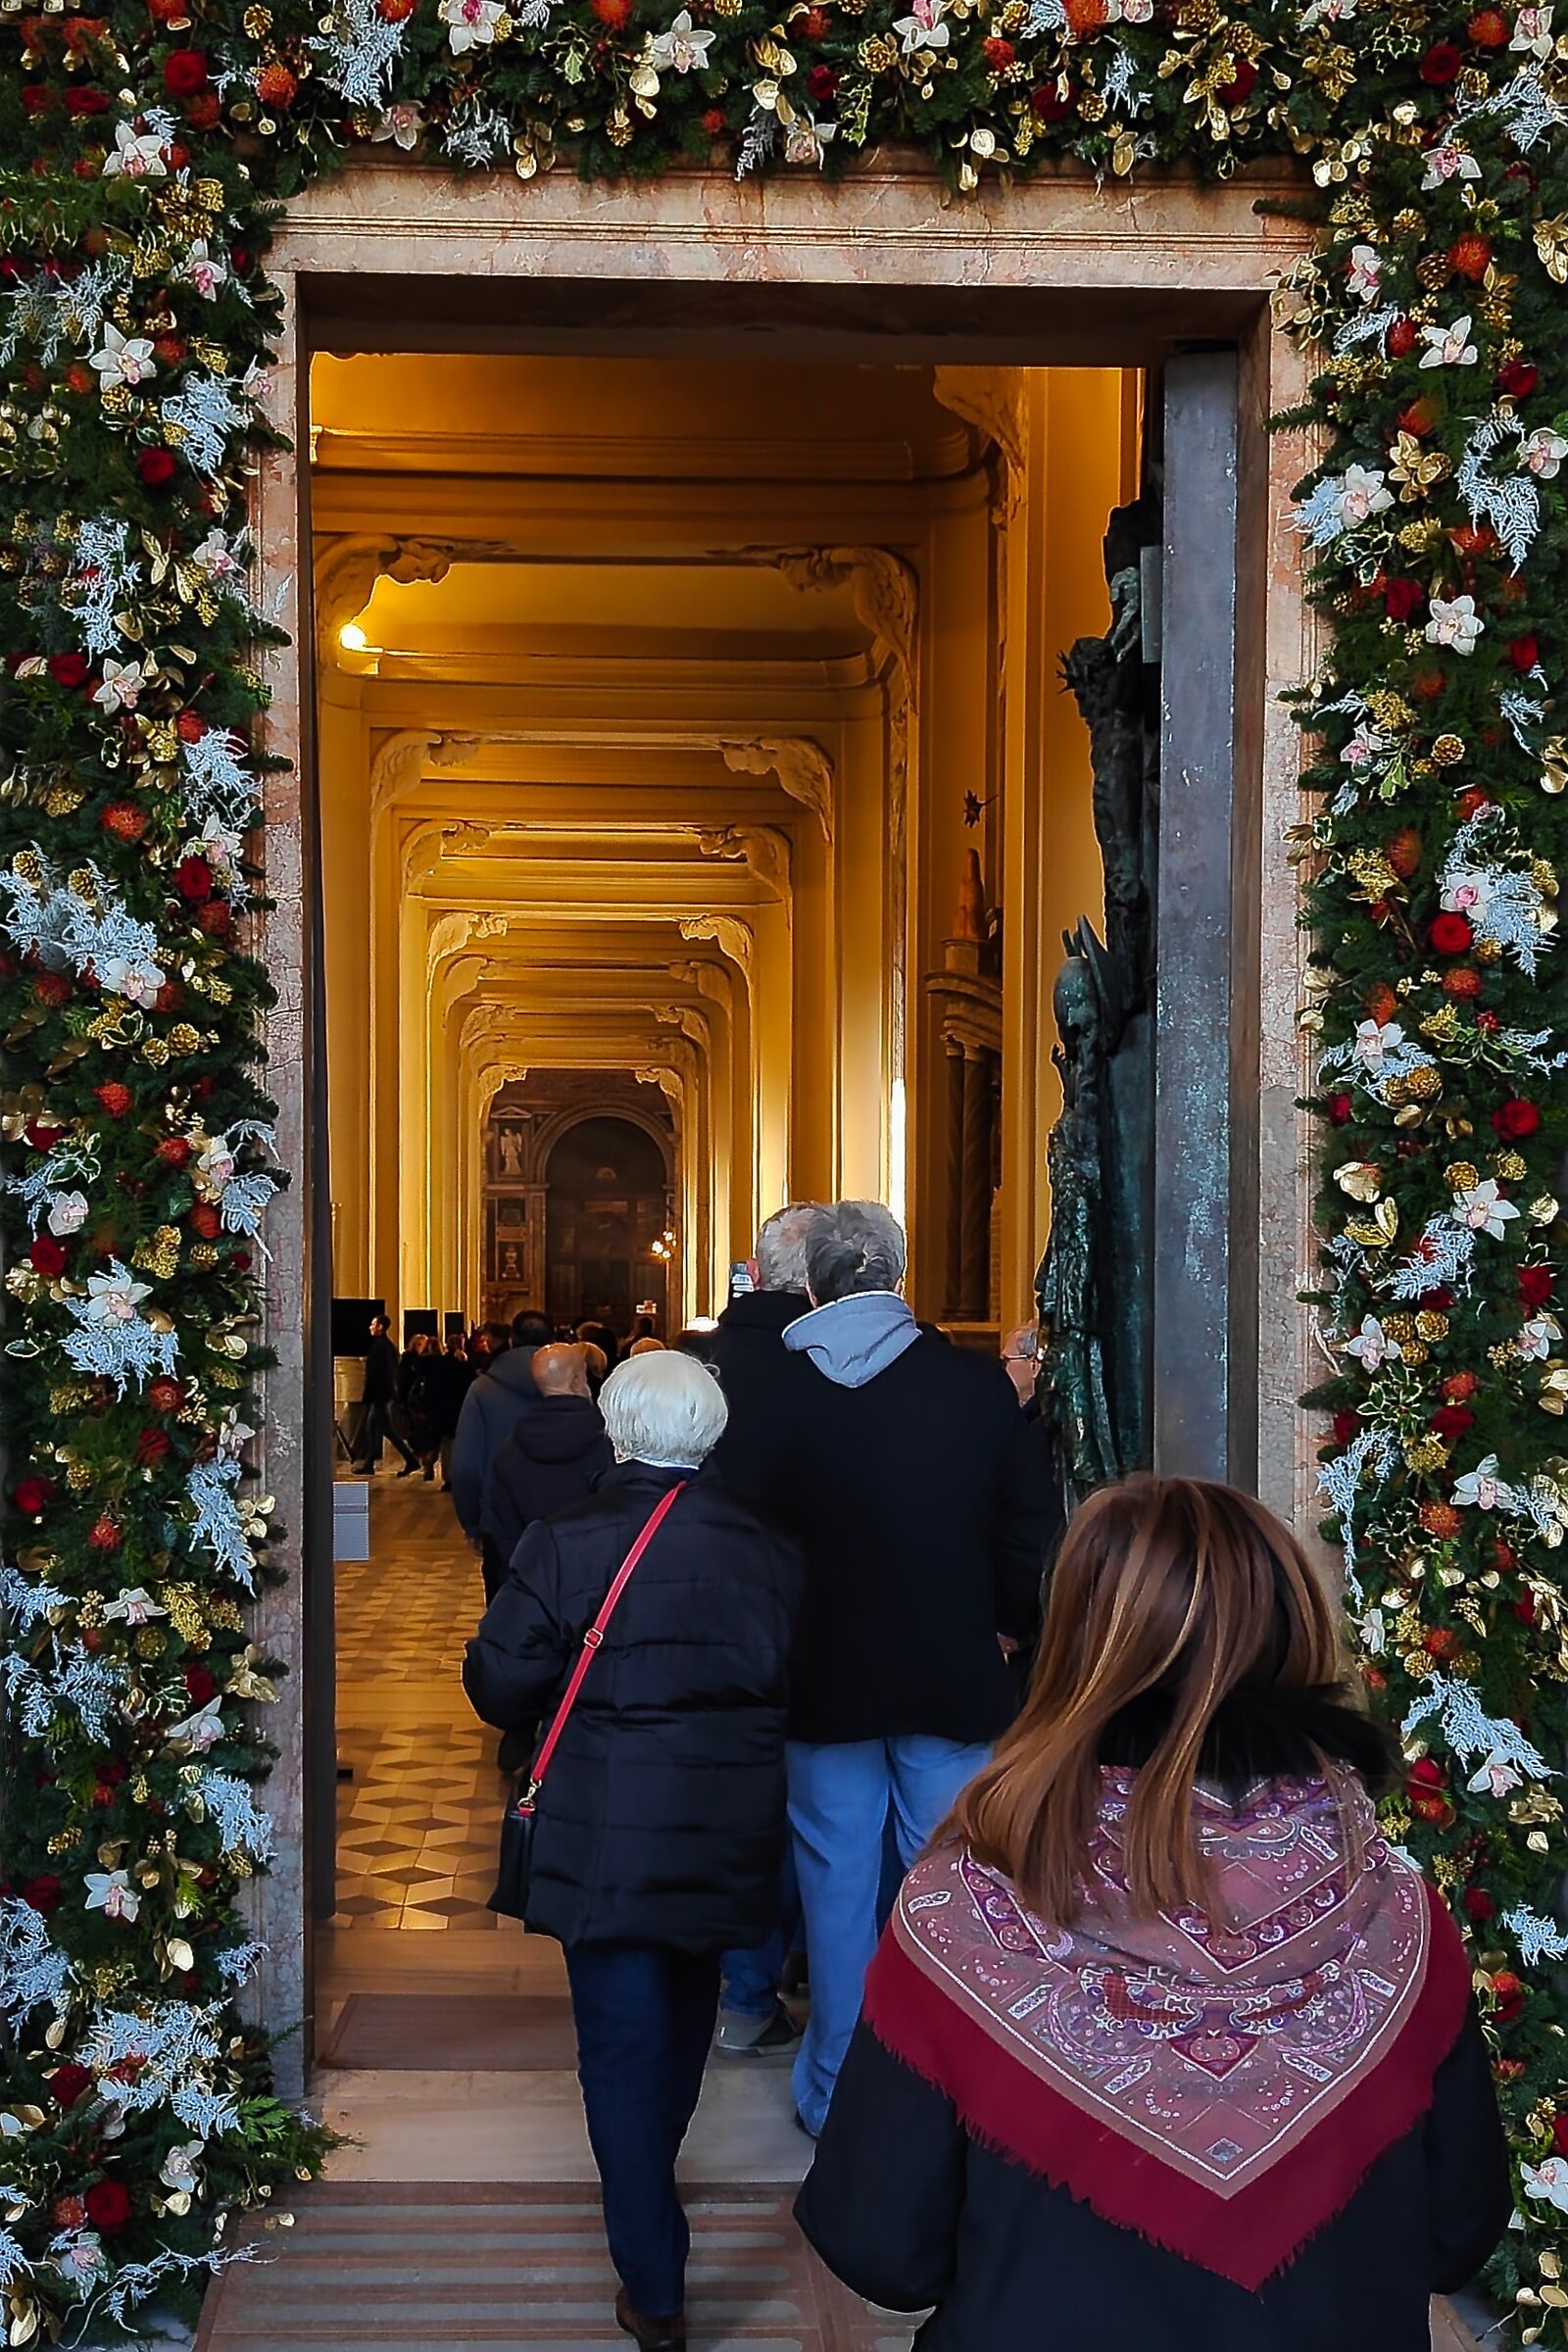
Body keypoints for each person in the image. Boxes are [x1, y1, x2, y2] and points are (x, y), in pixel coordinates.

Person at [797, 1476, 1511, 2350]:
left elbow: (878, 2246)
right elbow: (1459, 2231)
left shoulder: (965, 1911)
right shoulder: (1399, 1910)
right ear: (1295, 1634)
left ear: (1073, 1650)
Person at [464, 1352, 803, 2352]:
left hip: (603, 1831)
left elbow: (499, 1688)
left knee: (619, 2049)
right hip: (727, 1818)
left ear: (616, 1434)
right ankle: (648, 2183)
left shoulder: (567, 1538)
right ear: (712, 1435)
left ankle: (653, 2283)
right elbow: (794, 1673)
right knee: (685, 2018)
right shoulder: (773, 1547)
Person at [759, 1200, 1058, 2137]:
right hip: (951, 1669)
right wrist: (1010, 1626)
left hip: (821, 1675)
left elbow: (748, 1541)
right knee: (953, 1883)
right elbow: (1025, 1532)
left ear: (811, 1283)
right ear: (897, 1275)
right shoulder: (973, 1389)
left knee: (835, 1884)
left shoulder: (769, 1391)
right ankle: (952, 2084)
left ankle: (839, 2091)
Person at [706, 1203, 822, 2060]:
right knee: (811, 1809)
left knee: (744, 1810)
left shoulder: (706, 1358)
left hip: (710, 1618)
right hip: (815, 1618)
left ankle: (743, 1986)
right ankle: (770, 1976)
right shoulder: (827, 1363)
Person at [451, 1308, 552, 1599]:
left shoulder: (483, 1389)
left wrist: (472, 1522)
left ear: (511, 1340)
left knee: (502, 1612)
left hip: (500, 1516)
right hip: (562, 1515)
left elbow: (466, 1467)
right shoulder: (573, 1388)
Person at [487, 1343, 614, 1568]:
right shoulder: (611, 1444)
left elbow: (502, 1526)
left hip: (535, 1573)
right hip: (599, 1574)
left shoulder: (509, 1450)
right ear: (576, 1381)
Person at [353, 1314, 416, 1475]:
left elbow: (378, 1374)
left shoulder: (380, 1347)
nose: (370, 1327)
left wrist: (370, 1395)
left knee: (387, 1430)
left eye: (373, 1324)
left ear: (380, 1327)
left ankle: (411, 1460)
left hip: (380, 1395)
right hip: (382, 1394)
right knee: (371, 1427)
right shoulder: (386, 1346)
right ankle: (369, 1463)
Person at [426, 1334, 475, 1492]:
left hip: (443, 1408)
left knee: (446, 1445)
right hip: (461, 1407)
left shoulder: (438, 1363)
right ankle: (462, 1475)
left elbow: (431, 1386)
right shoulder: (466, 1365)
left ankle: (448, 1478)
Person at [396, 1332, 439, 1481]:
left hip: (420, 1402)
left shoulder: (424, 1362)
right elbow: (403, 1382)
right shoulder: (409, 1360)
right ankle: (420, 1460)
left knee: (423, 1433)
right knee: (412, 1433)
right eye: (420, 1344)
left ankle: (422, 1462)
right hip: (412, 1401)